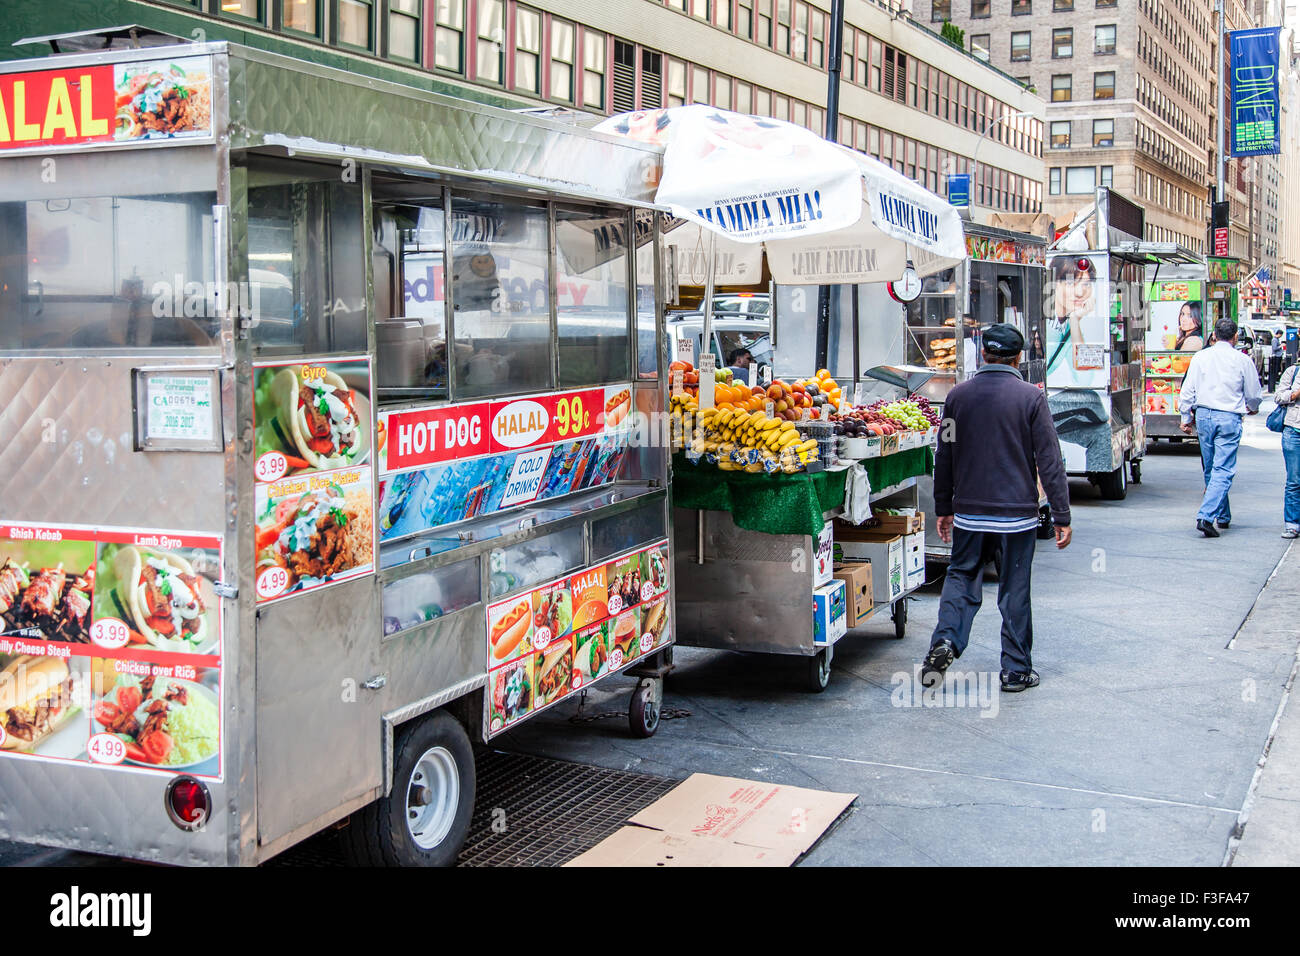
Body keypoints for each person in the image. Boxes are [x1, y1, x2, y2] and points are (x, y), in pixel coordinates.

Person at [921, 324, 1072, 694]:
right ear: (1018, 358)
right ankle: (1016, 671)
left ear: (982, 354)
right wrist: (1061, 514)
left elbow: (946, 455)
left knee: (961, 578)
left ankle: (946, 642)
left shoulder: (958, 398)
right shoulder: (1030, 398)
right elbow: (1049, 460)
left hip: (970, 514)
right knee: (1014, 588)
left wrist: (944, 507)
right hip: (1018, 515)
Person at [1179, 317, 1263, 537]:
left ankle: (1222, 516)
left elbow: (1187, 390)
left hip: (1204, 415)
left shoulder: (1200, 357)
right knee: (1223, 469)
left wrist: (1185, 416)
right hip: (1228, 417)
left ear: (1214, 335)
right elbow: (1253, 395)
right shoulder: (1242, 360)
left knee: (1211, 467)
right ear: (1235, 337)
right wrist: (1251, 407)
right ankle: (1206, 516)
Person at [1273, 361, 1300, 539]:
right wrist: (1296, 393)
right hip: (1293, 431)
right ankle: (1292, 524)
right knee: (1294, 480)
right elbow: (1278, 396)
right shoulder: (1293, 371)